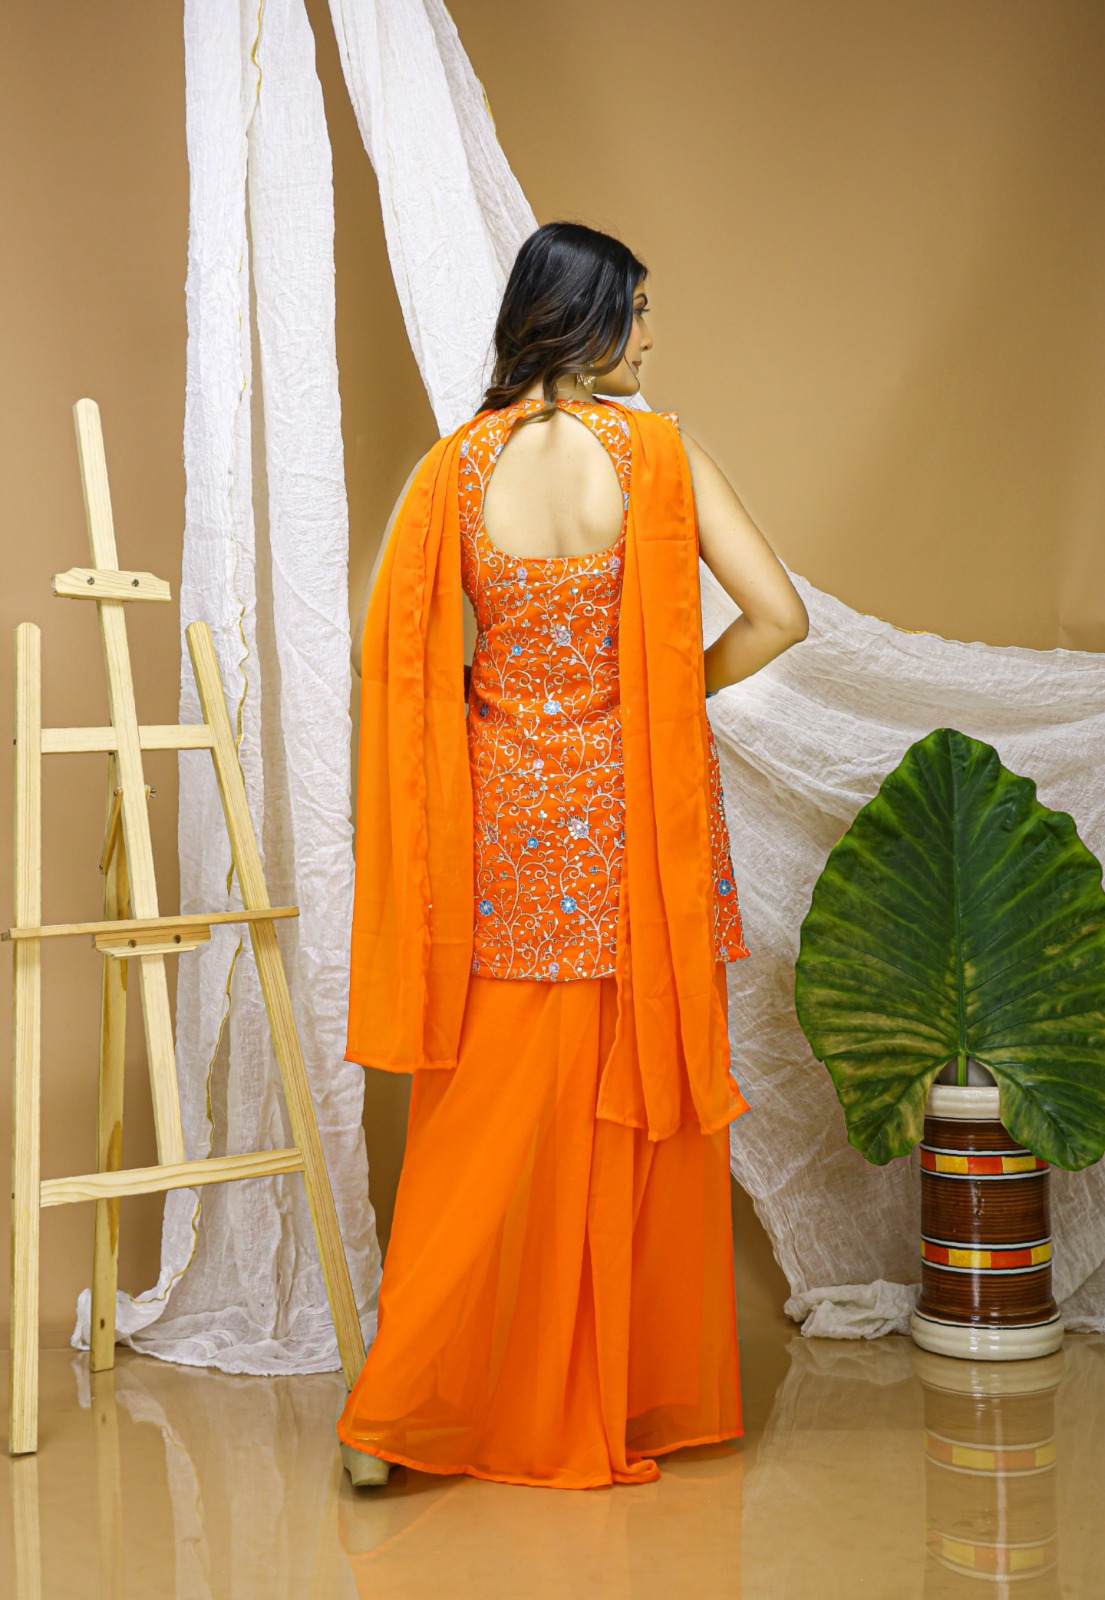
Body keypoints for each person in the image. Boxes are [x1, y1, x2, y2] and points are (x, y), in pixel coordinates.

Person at [337, 222, 808, 1490]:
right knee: (622, 1103)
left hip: (498, 830)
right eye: (638, 311)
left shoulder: (452, 468)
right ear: (586, 316)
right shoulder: (657, 454)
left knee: (481, 1121)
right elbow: (779, 615)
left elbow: (391, 659)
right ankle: (608, 1398)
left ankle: (399, 1415)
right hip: (629, 823)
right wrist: (660, 695)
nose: (650, 336)